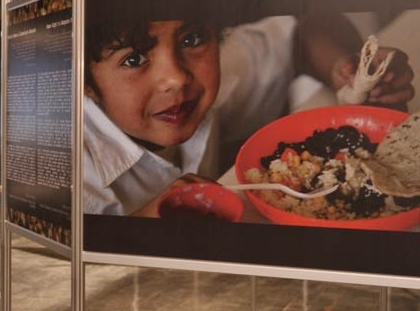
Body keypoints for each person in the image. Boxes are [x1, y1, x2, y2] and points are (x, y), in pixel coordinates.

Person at [83, 14, 415, 217]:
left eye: (192, 39)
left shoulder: (223, 75)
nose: (177, 79)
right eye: (134, 59)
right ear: (83, 82)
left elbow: (304, 29)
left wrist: (347, 69)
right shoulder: (72, 180)